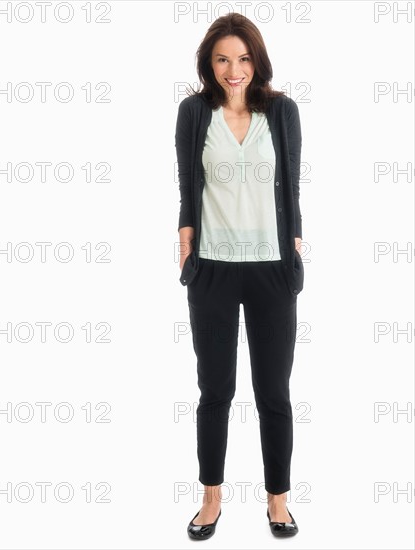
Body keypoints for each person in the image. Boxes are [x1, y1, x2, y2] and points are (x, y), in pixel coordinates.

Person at [175, 12, 304, 540]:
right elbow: (187, 184)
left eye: (244, 58)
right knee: (215, 390)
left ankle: (278, 501)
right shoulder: (192, 112)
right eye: (224, 59)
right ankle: (211, 499)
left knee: (274, 391)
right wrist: (185, 245)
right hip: (213, 270)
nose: (235, 69)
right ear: (210, 62)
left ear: (258, 60)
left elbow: (291, 187)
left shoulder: (282, 111)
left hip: (272, 268)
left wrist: (295, 247)